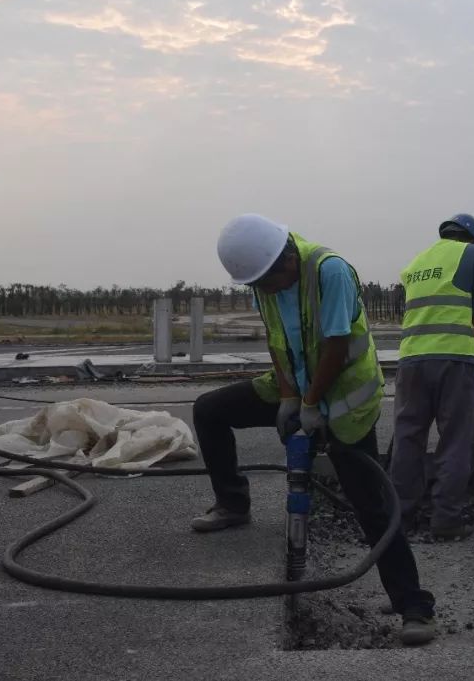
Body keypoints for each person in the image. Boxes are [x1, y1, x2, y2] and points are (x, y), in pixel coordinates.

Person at [190, 213, 437, 645]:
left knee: (370, 505)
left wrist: (310, 405)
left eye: (266, 281)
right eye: (256, 285)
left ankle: (414, 607)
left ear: (285, 259)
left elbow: (337, 345)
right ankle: (232, 503)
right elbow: (275, 339)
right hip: (299, 389)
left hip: (345, 402)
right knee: (210, 410)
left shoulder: (330, 271)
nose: (263, 291)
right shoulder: (263, 282)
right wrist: (288, 396)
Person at [389, 214, 474, 540]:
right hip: (454, 360)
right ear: (473, 237)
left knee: (407, 439)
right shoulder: (473, 254)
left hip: (411, 361)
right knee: (457, 440)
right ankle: (446, 520)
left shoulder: (417, 262)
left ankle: (400, 519)